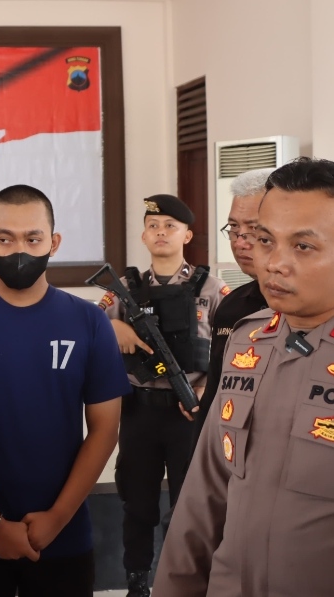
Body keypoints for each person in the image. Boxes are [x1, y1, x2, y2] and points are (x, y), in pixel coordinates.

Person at [0, 184, 129, 597]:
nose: (19, 250)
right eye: (5, 239)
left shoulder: (89, 322)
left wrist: (57, 517)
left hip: (64, 536)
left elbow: (105, 429)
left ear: (53, 243)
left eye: (33, 239)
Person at [153, 157, 334, 596]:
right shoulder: (247, 341)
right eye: (266, 240)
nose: (275, 263)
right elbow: (203, 497)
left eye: (303, 246)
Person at [99, 194, 228, 597]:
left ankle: (186, 582)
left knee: (190, 504)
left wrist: (207, 388)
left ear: (187, 235)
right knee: (137, 504)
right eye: (153, 226)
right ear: (143, 235)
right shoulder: (125, 289)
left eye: (170, 226)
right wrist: (112, 328)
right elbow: (85, 328)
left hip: (189, 412)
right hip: (139, 412)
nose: (161, 232)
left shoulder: (212, 289)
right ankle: (137, 581)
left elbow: (237, 347)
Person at [188, 169, 272, 457]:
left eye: (253, 230)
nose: (239, 241)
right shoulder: (233, 306)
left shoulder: (309, 308)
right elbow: (216, 394)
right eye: (234, 228)